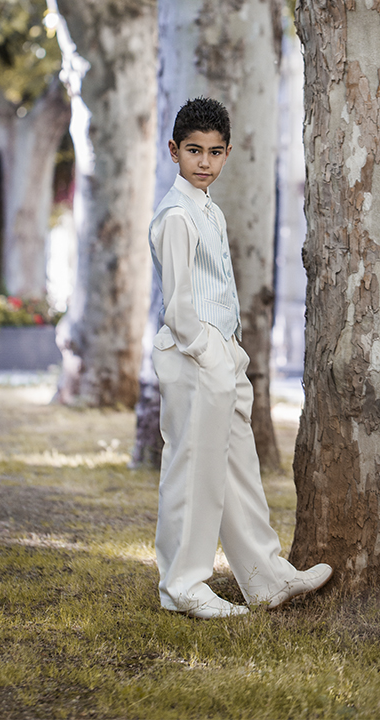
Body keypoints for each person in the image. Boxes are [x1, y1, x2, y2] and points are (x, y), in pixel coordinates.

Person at [149, 96, 332, 620]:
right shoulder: (177, 215)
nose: (203, 162)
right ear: (174, 151)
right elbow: (179, 302)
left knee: (237, 470)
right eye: (193, 151)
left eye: (213, 152)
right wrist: (209, 352)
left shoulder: (209, 209)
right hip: (193, 356)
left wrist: (230, 353)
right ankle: (182, 584)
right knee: (193, 471)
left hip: (221, 355)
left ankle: (265, 576)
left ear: (227, 154)